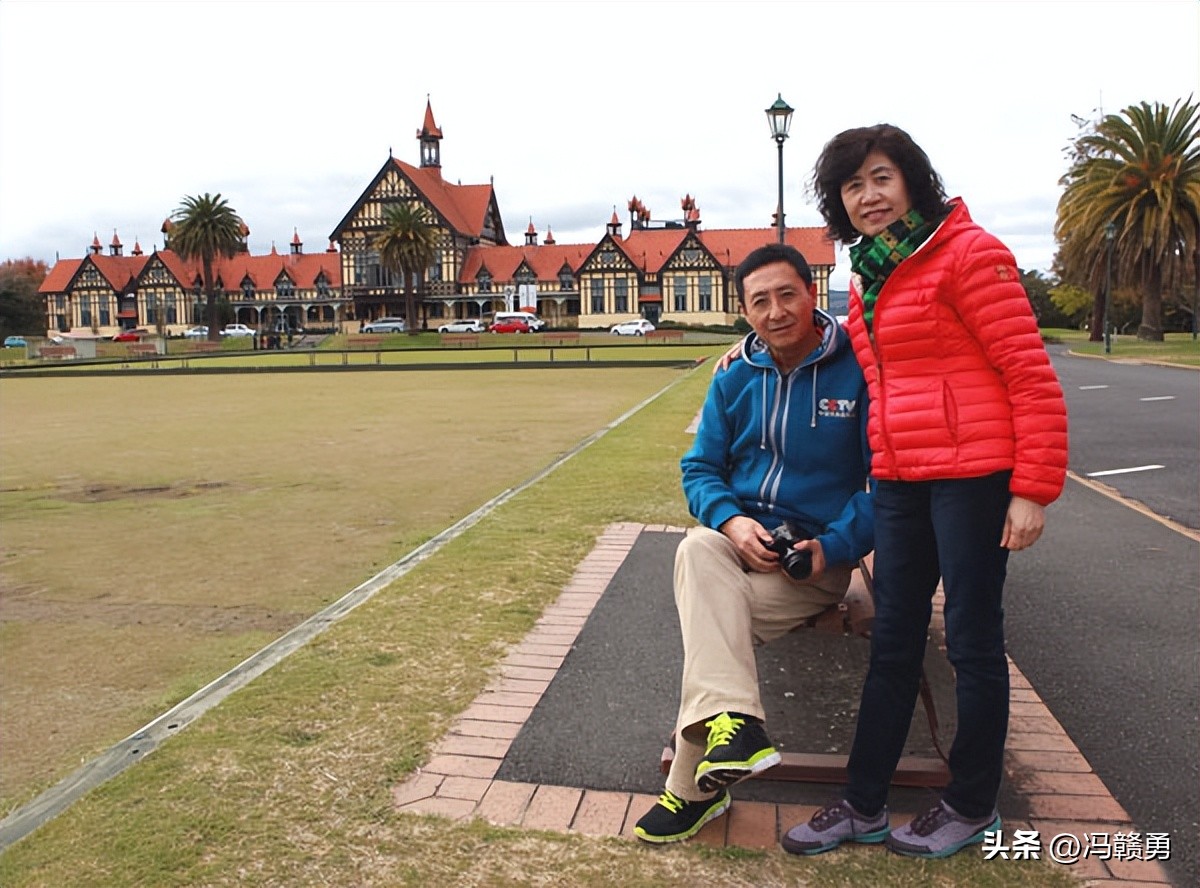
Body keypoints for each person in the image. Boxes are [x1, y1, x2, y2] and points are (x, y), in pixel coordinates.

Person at [780, 124, 1068, 859]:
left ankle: (971, 804)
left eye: (880, 178)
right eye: (852, 186)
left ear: (912, 181)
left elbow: (1030, 376)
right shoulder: (871, 274)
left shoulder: (971, 254)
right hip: (903, 482)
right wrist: (758, 344)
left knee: (973, 641)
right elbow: (871, 370)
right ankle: (863, 803)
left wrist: (1032, 488)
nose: (868, 197)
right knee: (895, 642)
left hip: (975, 479)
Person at [633, 243, 874, 844]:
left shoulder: (861, 368)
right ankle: (735, 731)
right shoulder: (735, 375)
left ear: (813, 294)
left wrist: (835, 545)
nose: (775, 312)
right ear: (745, 311)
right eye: (759, 301)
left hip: (810, 564)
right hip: (736, 550)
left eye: (787, 294)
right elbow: (700, 469)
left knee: (712, 635)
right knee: (697, 546)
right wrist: (733, 523)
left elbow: (884, 484)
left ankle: (694, 791)